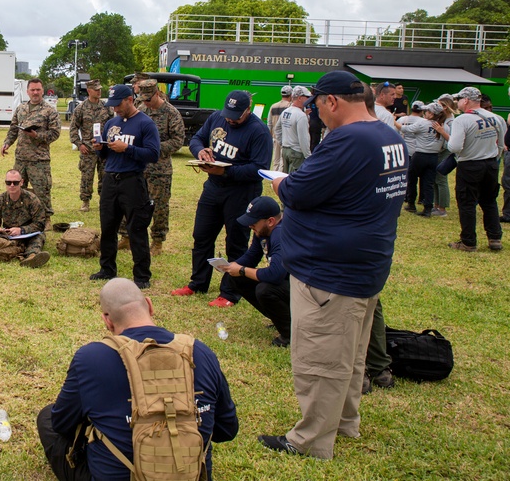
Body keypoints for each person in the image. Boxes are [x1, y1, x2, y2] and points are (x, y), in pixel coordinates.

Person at [259, 70, 406, 459]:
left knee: (320, 358)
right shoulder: (388, 135)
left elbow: (300, 190)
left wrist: (279, 184)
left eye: (317, 107)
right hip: (366, 263)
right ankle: (344, 421)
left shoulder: (347, 139)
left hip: (330, 270)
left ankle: (310, 440)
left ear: (332, 102)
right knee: (350, 355)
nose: (316, 115)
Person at [37, 278, 238, 481]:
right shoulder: (200, 352)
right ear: (150, 305)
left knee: (46, 418)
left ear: (107, 320)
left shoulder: (91, 358)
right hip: (192, 475)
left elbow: (62, 425)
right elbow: (226, 431)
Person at [172, 90, 272, 307]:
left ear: (247, 110)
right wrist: (201, 152)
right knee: (201, 236)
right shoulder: (217, 117)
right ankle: (198, 282)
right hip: (213, 188)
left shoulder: (259, 131)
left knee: (235, 242)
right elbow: (197, 138)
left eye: (235, 115)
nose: (229, 119)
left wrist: (227, 172)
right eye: (228, 113)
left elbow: (260, 168)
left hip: (241, 193)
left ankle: (230, 293)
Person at [89, 84, 159, 289]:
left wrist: (127, 148)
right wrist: (99, 149)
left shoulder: (146, 124)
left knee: (136, 228)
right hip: (111, 179)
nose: (115, 109)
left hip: (133, 181)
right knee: (108, 227)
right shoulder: (111, 123)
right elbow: (106, 156)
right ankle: (107, 268)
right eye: (112, 106)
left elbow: (153, 154)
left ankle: (142, 275)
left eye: (118, 105)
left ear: (130, 99)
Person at [214, 196, 291, 347]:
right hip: (287, 283)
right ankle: (280, 318)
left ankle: (290, 333)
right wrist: (231, 267)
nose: (250, 226)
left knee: (266, 290)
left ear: (270, 221)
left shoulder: (281, 234)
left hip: (305, 289)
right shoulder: (263, 232)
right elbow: (252, 256)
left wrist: (242, 270)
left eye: (254, 222)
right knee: (235, 278)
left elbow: (275, 275)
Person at [447, 86, 506, 251]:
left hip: (470, 165)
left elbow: (454, 147)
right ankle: (495, 238)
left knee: (467, 203)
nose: (457, 103)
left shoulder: (462, 120)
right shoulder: (496, 118)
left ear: (465, 100)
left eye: (459, 99)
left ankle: (468, 241)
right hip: (491, 164)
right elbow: (501, 144)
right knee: (489, 201)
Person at [136, 78, 185, 256]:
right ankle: (128, 237)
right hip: (140, 167)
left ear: (157, 93)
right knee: (134, 203)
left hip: (160, 168)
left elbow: (178, 140)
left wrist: (154, 148)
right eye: (144, 99)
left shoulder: (171, 113)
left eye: (149, 98)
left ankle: (157, 241)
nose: (147, 102)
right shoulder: (141, 110)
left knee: (159, 206)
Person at [2, 78, 61, 226]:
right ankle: (20, 217)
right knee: (16, 189)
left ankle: (46, 219)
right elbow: (13, 128)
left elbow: (55, 134)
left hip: (39, 159)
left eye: (38, 90)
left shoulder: (49, 111)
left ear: (42, 91)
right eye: (32, 90)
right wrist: (7, 143)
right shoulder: (21, 109)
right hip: (21, 158)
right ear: (27, 91)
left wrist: (37, 136)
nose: (35, 93)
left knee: (42, 191)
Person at [0, 169, 51, 268]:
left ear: (21, 182)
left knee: (38, 237)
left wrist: (21, 230)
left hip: (28, 234)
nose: (12, 185)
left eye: (15, 183)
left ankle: (32, 256)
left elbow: (40, 224)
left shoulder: (32, 200)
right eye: (8, 183)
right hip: (7, 235)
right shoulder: (0, 200)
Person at [69, 80, 113, 212]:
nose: (99, 91)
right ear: (89, 91)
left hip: (104, 148)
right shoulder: (81, 108)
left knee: (105, 176)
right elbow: (73, 129)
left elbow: (113, 126)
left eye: (100, 89)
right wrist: (79, 144)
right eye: (96, 89)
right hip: (88, 149)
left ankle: (103, 201)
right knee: (86, 177)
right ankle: (85, 201)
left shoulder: (106, 107)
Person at [401, 102, 448, 217]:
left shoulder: (422, 123)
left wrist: (394, 122)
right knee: (429, 182)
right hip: (434, 157)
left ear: (431, 114)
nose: (424, 113)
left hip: (420, 155)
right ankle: (427, 207)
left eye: (426, 111)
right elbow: (447, 143)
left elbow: (406, 129)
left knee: (412, 179)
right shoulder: (444, 126)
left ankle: (411, 203)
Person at [275, 86, 311, 174]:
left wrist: (282, 143)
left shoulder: (286, 112)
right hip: (297, 152)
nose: (308, 100)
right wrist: (308, 156)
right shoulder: (301, 115)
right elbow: (303, 139)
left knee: (285, 176)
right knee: (294, 180)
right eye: (307, 97)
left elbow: (277, 129)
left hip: (285, 150)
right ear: (300, 98)